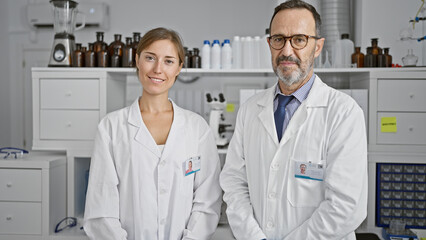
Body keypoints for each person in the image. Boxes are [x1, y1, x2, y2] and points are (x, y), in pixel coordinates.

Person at [220, 1, 368, 239]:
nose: (287, 51)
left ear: (317, 46)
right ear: (269, 44)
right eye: (279, 39)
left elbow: (346, 206)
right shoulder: (249, 110)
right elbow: (235, 183)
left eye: (299, 39)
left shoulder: (344, 113)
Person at [83, 27, 222, 240]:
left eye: (168, 61)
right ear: (137, 60)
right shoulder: (111, 128)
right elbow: (101, 207)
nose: (158, 69)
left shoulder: (197, 129)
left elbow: (208, 201)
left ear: (179, 68)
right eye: (150, 58)